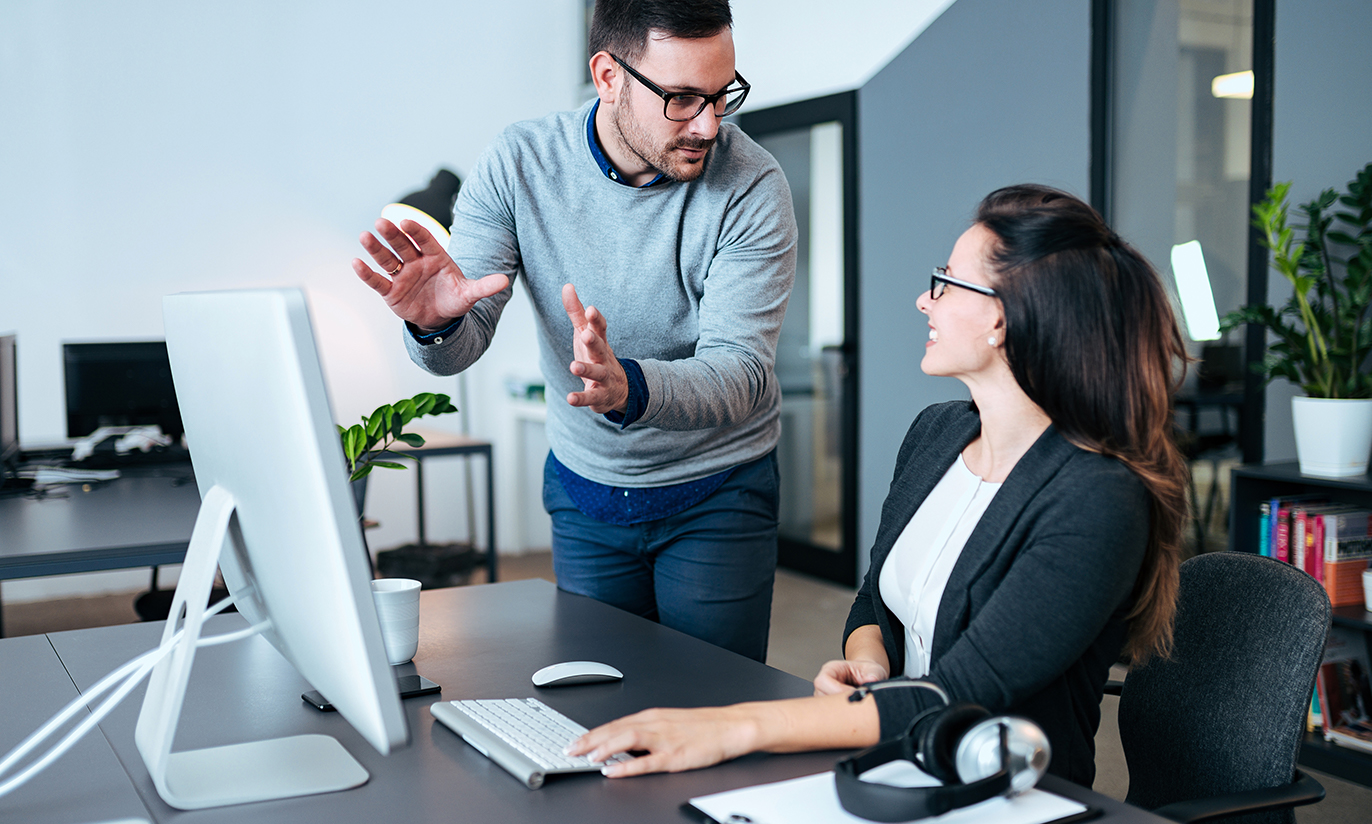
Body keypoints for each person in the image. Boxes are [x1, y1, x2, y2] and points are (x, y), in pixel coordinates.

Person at [569, 185, 1188, 787]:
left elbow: (962, 692)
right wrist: (871, 661)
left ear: (1002, 318)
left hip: (1003, 793)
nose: (926, 300)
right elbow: (875, 598)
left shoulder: (1098, 498)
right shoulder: (938, 434)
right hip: (895, 761)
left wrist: (732, 728)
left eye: (946, 282)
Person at [350, 0, 796, 662]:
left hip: (717, 491)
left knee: (711, 707)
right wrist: (436, 324)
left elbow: (745, 373)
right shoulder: (519, 164)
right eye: (680, 98)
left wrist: (629, 387)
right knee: (601, 705)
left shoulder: (752, 186)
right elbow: (458, 348)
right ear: (608, 76)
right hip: (587, 493)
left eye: (721, 94)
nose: (708, 123)